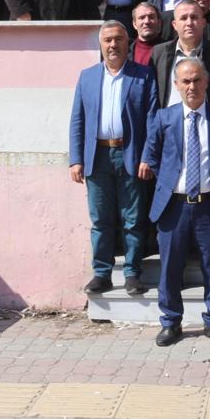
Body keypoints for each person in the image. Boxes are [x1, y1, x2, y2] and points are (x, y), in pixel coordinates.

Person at [139, 57, 210, 348]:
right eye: (186, 81)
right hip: (173, 206)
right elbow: (152, 157)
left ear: (206, 82)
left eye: (197, 80)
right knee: (170, 268)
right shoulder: (163, 118)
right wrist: (171, 181)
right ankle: (171, 322)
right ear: (176, 84)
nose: (192, 86)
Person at [69, 21, 158, 295]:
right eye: (107, 40)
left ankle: (132, 274)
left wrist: (148, 157)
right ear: (100, 44)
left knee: (133, 219)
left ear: (128, 42)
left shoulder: (143, 76)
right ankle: (102, 273)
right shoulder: (87, 77)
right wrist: (76, 159)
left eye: (118, 39)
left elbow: (152, 120)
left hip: (130, 156)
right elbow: (77, 120)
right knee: (100, 220)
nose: (113, 45)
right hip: (97, 157)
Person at [149, 0, 210, 108]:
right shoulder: (158, 53)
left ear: (203, 23)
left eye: (194, 17)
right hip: (169, 118)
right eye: (183, 18)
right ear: (174, 25)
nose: (189, 23)